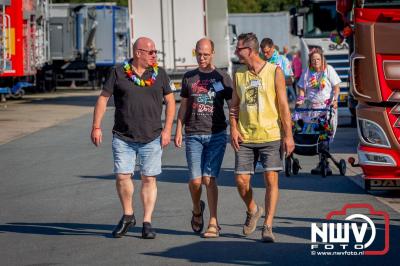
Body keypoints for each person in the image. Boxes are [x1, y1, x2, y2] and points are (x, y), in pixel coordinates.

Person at [91, 37, 176, 239]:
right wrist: (96, 126)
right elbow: (103, 98)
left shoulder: (160, 74)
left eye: (156, 52)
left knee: (149, 178)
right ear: (138, 53)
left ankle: (147, 222)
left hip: (152, 136)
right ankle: (128, 215)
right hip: (123, 136)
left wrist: (167, 130)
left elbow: (171, 102)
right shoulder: (118, 72)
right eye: (151, 52)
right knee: (122, 176)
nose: (155, 55)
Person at [229, 33, 294, 242]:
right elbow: (234, 106)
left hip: (271, 134)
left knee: (271, 179)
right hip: (246, 136)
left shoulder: (275, 71)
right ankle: (253, 209)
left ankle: (268, 225)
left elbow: (284, 106)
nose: (236, 52)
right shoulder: (238, 73)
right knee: (241, 180)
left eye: (239, 49)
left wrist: (288, 135)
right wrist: (233, 128)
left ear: (250, 50)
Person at [175, 38, 233, 238]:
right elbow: (183, 105)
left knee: (209, 179)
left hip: (216, 134)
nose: (202, 58)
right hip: (193, 134)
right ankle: (197, 209)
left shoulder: (221, 77)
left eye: (206, 54)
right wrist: (178, 129)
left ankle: (213, 222)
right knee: (195, 181)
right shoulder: (189, 77)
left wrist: (235, 128)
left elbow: (233, 104)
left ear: (212, 54)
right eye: (199, 54)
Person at [296, 47, 341, 175]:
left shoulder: (328, 70)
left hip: (326, 108)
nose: (316, 61)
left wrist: (335, 100)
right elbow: (302, 89)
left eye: (318, 59)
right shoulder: (307, 73)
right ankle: (321, 162)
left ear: (322, 60)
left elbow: (336, 87)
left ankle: (324, 162)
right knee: (314, 134)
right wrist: (300, 99)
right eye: (313, 59)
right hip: (311, 109)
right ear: (310, 61)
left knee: (325, 134)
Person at [260, 38, 296, 102]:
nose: (265, 54)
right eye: (263, 52)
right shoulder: (261, 61)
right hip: (264, 97)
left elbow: (291, 80)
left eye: (267, 52)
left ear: (273, 47)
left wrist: (274, 81)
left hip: (279, 96)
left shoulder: (283, 59)